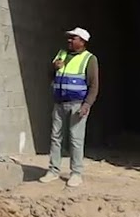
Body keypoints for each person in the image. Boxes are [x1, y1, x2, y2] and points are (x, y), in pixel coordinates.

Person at [40, 26, 99, 188]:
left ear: (82, 42)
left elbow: (94, 85)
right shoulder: (61, 54)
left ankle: (76, 173)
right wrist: (54, 68)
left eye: (73, 38)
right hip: (59, 103)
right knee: (55, 137)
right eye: (69, 38)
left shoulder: (89, 59)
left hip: (77, 105)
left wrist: (87, 104)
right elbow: (49, 75)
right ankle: (53, 170)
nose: (69, 40)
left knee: (75, 139)